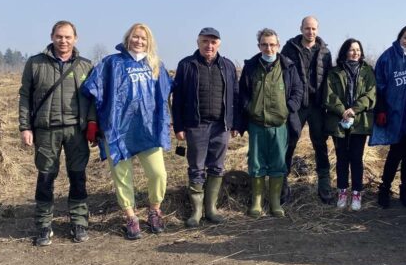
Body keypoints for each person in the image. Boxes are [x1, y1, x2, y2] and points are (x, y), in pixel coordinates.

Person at [82, 23, 172, 240]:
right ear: (127, 38)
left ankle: (154, 210)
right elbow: (94, 91)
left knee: (158, 173)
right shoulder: (111, 63)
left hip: (148, 130)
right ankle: (130, 217)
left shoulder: (156, 65)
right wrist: (93, 122)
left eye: (143, 38)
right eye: (135, 37)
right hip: (118, 130)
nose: (139, 41)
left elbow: (164, 97)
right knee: (122, 176)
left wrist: (167, 121)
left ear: (149, 42)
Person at [19, 21, 97, 246]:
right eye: (59, 36)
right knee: (45, 177)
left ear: (75, 38)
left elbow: (94, 98)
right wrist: (25, 127)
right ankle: (43, 225)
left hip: (76, 131)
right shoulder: (35, 63)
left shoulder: (86, 66)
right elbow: (25, 96)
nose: (63, 41)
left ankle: (79, 221)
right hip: (46, 131)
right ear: (52, 36)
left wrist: (92, 123)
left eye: (68, 37)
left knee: (78, 177)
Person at [172, 27, 239, 226]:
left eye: (213, 42)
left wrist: (235, 123)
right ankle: (196, 211)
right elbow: (178, 98)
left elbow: (235, 96)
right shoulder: (186, 65)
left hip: (221, 125)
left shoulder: (227, 66)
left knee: (217, 167)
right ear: (198, 42)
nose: (209, 46)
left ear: (219, 44)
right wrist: (179, 126)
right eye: (205, 41)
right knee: (196, 167)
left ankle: (211, 209)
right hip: (196, 125)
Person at [236, 28, 303, 218]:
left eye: (272, 44)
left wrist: (288, 108)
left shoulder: (288, 66)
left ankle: (275, 202)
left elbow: (298, 91)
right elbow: (243, 93)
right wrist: (250, 108)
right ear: (259, 46)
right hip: (256, 124)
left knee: (278, 163)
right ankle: (257, 202)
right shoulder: (251, 67)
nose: (269, 48)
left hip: (280, 124)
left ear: (278, 46)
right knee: (256, 163)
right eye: (264, 44)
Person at [370, 25, 406, 209]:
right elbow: (379, 85)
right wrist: (381, 109)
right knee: (395, 153)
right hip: (395, 115)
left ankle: (405, 190)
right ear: (400, 37)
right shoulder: (387, 57)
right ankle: (385, 188)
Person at [281, 16, 333, 203]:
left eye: (313, 29)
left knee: (320, 145)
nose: (310, 32)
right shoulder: (289, 48)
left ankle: (324, 187)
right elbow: (283, 75)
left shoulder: (325, 51)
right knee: (289, 143)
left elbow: (328, 78)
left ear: (318, 29)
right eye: (307, 28)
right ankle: (282, 188)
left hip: (317, 105)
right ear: (301, 28)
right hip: (297, 105)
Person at [324, 39, 377, 211]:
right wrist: (343, 111)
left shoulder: (368, 71)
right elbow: (329, 95)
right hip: (338, 121)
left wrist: (354, 109)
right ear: (345, 52)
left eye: (358, 50)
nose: (355, 53)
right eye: (352, 50)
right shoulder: (334, 72)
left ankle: (356, 193)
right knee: (341, 158)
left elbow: (371, 94)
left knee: (356, 158)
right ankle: (342, 192)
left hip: (359, 121)